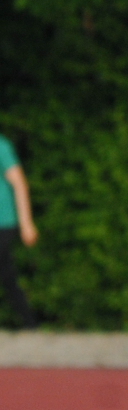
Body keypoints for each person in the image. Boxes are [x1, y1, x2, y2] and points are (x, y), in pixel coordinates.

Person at [0, 133, 39, 328]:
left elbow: (19, 184)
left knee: (7, 273)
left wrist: (26, 223)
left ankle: (31, 324)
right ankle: (30, 324)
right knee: (7, 275)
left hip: (3, 221)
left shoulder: (1, 147)